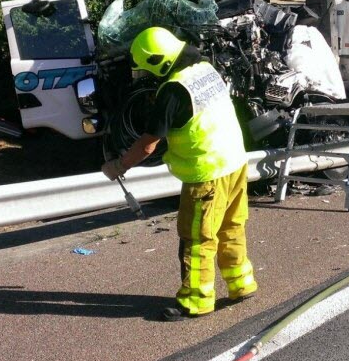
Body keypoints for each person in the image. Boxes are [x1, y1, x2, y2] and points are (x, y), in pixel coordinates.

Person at [102, 27, 257, 320]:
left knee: (197, 238)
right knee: (231, 226)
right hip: (235, 161)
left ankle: (196, 300)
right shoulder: (204, 68)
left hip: (207, 173)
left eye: (146, 68)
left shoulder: (173, 90)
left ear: (158, 61)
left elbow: (148, 145)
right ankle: (241, 283)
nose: (145, 75)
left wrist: (118, 166)